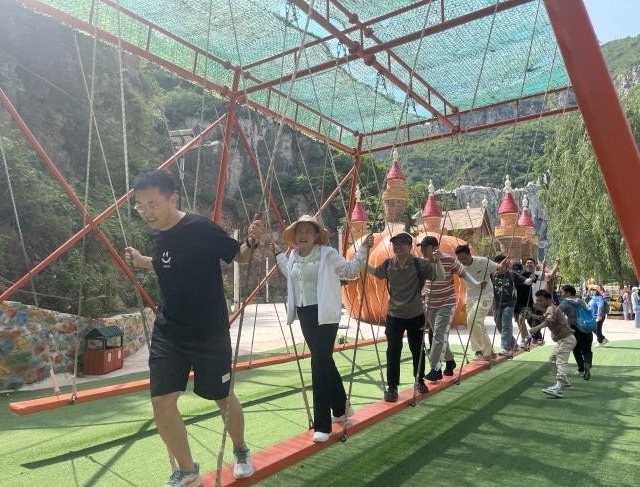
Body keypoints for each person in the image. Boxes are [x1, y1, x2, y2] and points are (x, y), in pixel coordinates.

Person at [125, 170, 262, 486]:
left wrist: (251, 241)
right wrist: (142, 260)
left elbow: (239, 257)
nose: (146, 212)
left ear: (172, 199)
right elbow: (166, 261)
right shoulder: (157, 233)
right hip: (169, 332)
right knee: (161, 402)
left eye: (153, 204)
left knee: (222, 396)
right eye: (140, 205)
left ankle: (241, 449)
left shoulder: (200, 228)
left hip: (208, 331)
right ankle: (188, 470)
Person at [271, 215, 371, 443]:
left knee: (318, 364)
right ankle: (342, 407)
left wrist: (364, 249)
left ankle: (323, 425)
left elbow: (350, 270)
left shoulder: (327, 254)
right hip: (305, 314)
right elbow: (289, 272)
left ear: (316, 235)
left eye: (308, 231)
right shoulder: (293, 256)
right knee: (324, 361)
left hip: (325, 314)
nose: (303, 235)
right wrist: (278, 255)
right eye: (299, 231)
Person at [365, 232, 444, 402]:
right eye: (395, 243)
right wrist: (362, 261)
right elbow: (376, 272)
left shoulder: (420, 263)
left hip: (415, 315)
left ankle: (419, 381)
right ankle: (392, 387)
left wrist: (437, 262)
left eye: (401, 243)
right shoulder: (388, 264)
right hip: (394, 315)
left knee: (417, 350)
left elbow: (440, 277)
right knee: (393, 351)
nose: (397, 246)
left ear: (410, 246)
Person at [418, 236, 482, 382]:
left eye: (425, 248)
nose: (422, 250)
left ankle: (435, 369)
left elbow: (463, 273)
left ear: (435, 248)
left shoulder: (449, 259)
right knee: (439, 336)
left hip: (446, 304)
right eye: (421, 248)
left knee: (438, 335)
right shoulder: (423, 261)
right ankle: (450, 361)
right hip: (430, 304)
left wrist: (476, 284)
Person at [454, 245, 504, 360]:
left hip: (485, 296)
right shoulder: (459, 266)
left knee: (473, 319)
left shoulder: (483, 261)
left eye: (464, 258)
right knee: (477, 324)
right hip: (470, 297)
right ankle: (489, 352)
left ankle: (479, 350)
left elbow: (498, 267)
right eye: (459, 259)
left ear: (469, 254)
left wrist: (502, 266)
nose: (462, 261)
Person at [529, 289, 577, 398]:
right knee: (553, 359)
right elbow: (543, 318)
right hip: (563, 340)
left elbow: (548, 321)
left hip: (566, 340)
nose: (538, 302)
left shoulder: (551, 308)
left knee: (560, 362)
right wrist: (531, 315)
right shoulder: (550, 309)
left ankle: (558, 388)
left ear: (549, 299)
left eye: (541, 300)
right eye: (537, 300)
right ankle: (565, 383)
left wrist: (536, 328)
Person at [490, 255, 534, 357]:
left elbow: (526, 281)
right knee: (499, 325)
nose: (501, 267)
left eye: (503, 265)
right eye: (499, 265)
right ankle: (513, 344)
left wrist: (531, 278)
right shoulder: (492, 275)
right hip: (497, 304)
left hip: (509, 304)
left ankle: (506, 348)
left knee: (506, 325)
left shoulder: (512, 274)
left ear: (506, 264)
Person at [559, 285, 593, 380]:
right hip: (586, 326)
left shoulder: (565, 303)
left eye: (563, 292)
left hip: (574, 328)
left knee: (576, 350)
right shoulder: (582, 301)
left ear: (568, 293)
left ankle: (581, 370)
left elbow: (556, 313)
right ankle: (587, 364)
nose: (561, 294)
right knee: (587, 350)